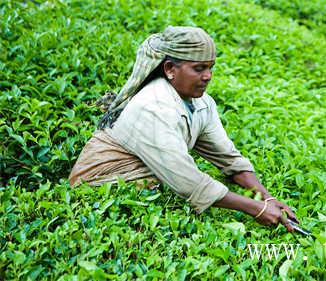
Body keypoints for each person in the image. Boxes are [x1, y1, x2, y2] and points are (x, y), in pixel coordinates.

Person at [69, 26, 298, 231]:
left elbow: (228, 159)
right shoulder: (153, 106)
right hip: (101, 190)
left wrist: (266, 197)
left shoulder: (202, 103)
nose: (207, 76)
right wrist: (254, 208)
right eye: (198, 68)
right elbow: (187, 181)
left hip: (149, 182)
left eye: (210, 68)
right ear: (170, 69)